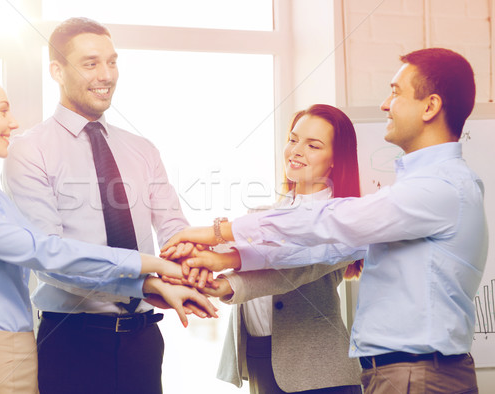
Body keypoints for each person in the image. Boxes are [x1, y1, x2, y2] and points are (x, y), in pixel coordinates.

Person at [162, 48, 487, 393]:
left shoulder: (437, 187)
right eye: (293, 139)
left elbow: (323, 229)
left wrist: (217, 236)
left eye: (395, 92)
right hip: (393, 372)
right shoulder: (419, 187)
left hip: (413, 374)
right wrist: (225, 258)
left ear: (430, 106)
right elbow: (313, 251)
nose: (384, 104)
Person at [0, 65, 215, 394]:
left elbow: (60, 256)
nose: (13, 123)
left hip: (19, 352)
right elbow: (47, 253)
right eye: (2, 110)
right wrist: (154, 264)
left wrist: (147, 286)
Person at [2, 17, 194, 394]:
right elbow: (51, 258)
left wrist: (191, 260)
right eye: (90, 63)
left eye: (112, 61)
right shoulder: (29, 150)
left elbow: (173, 225)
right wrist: (146, 281)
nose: (106, 75)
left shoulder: (141, 149)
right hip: (73, 343)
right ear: (57, 70)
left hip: (144, 340)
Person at [211, 104, 363, 393]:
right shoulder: (263, 214)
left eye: (312, 145)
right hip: (260, 361)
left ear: (335, 160)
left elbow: (287, 267)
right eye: (293, 139)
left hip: (319, 373)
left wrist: (222, 270)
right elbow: (227, 253)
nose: (296, 151)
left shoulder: (340, 217)